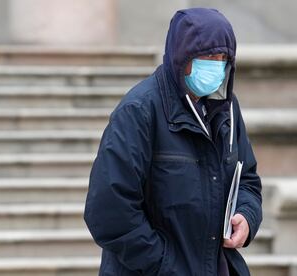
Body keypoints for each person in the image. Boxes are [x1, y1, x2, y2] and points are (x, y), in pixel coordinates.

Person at [84, 8, 262, 276]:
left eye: (223, 58)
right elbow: (109, 211)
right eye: (207, 56)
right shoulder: (140, 111)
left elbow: (247, 179)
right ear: (182, 56)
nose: (216, 65)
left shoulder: (228, 109)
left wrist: (247, 216)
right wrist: (164, 264)